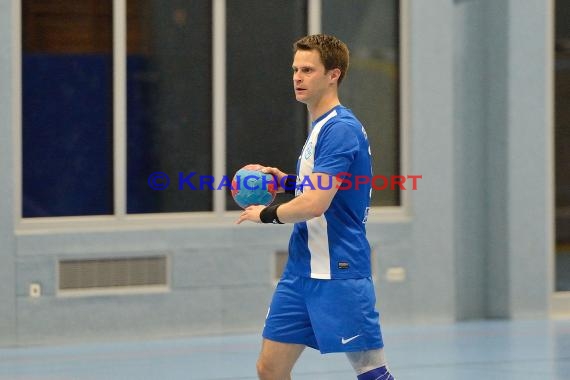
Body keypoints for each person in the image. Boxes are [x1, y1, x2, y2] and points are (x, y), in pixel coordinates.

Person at [236, 34, 394, 380]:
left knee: (371, 372)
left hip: (338, 269)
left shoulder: (340, 130)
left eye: (308, 70)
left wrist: (265, 214)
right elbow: (327, 188)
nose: (297, 77)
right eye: (295, 69)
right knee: (270, 368)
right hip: (301, 272)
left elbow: (316, 203)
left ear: (333, 75)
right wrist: (286, 183)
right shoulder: (321, 128)